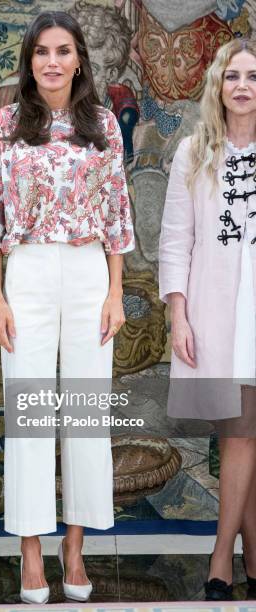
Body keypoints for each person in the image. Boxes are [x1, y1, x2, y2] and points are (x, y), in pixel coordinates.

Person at [0, 10, 134, 605]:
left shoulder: (102, 124)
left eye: (63, 51)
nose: (53, 62)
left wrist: (115, 291)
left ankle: (75, 544)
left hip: (91, 270)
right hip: (29, 269)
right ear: (29, 60)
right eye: (42, 52)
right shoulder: (6, 124)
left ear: (80, 59)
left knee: (86, 417)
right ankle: (32, 551)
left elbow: (118, 211)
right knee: (33, 415)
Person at [159, 38, 256, 601]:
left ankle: (221, 560)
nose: (242, 85)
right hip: (213, 311)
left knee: (244, 436)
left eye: (252, 76)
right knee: (239, 434)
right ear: (217, 86)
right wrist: (179, 315)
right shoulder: (194, 152)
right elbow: (175, 241)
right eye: (232, 76)